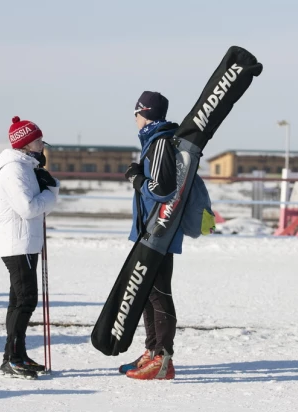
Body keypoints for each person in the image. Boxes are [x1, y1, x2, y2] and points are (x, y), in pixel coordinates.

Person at [0, 116, 59, 379]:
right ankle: (13, 358)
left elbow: (33, 206)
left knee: (19, 300)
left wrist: (44, 186)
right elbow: (28, 208)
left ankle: (15, 355)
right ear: (26, 143)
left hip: (26, 243)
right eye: (39, 140)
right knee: (26, 300)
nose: (43, 145)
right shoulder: (13, 170)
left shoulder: (25, 167)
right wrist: (50, 193)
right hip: (17, 244)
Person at [119, 91, 181, 380]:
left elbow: (161, 189)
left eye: (135, 113)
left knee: (157, 294)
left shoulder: (159, 142)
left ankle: (163, 358)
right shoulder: (155, 139)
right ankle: (153, 351)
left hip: (158, 232)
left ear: (142, 113)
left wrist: (136, 178)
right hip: (150, 231)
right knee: (146, 293)